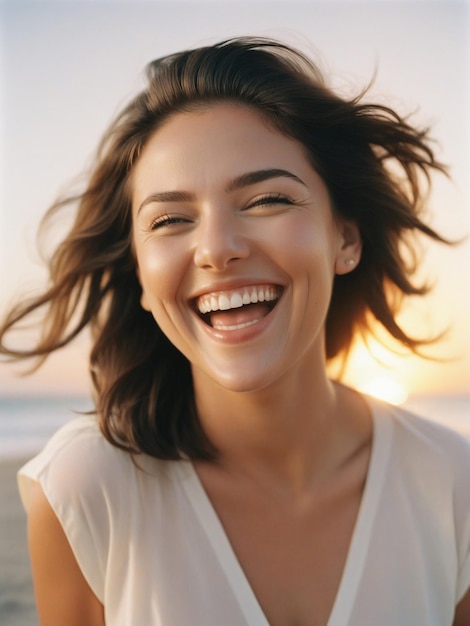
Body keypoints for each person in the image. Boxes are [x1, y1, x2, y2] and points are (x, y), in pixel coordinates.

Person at [0, 37, 469, 626]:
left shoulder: (453, 481)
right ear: (141, 277)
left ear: (345, 238)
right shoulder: (84, 492)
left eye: (267, 200)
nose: (216, 248)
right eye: (170, 220)